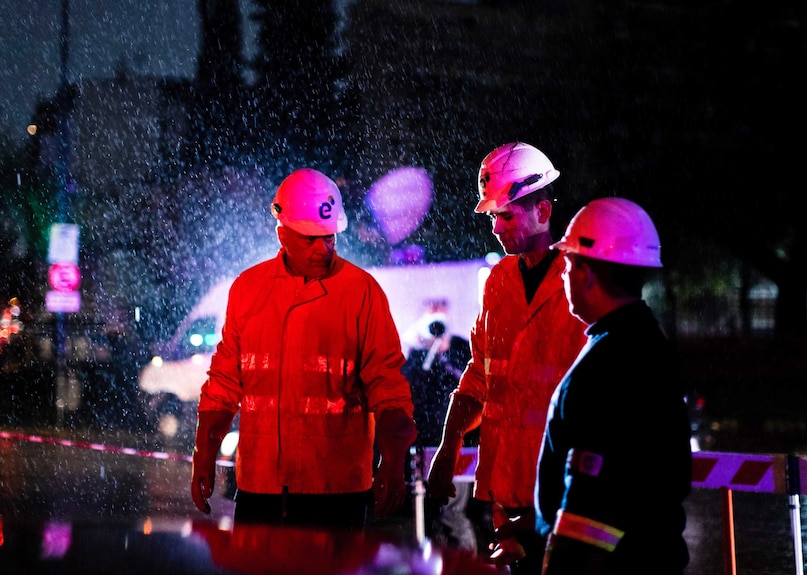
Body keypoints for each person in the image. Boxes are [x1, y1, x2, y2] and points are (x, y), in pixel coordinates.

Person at [190, 168, 418, 530]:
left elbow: (388, 388)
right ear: (282, 234)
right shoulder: (248, 291)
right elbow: (223, 384)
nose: (322, 249)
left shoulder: (362, 293)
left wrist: (392, 460)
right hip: (260, 487)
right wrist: (204, 452)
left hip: (337, 493)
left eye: (329, 238)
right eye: (309, 239)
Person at [427, 142, 587, 574]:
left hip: (565, 497)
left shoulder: (582, 284)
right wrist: (448, 447)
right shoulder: (496, 283)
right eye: (494, 216)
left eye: (506, 215)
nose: (496, 228)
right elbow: (479, 377)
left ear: (543, 211)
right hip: (506, 494)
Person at [534, 197, 692, 574]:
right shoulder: (650, 344)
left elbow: (591, 510)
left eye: (568, 263)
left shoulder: (605, 365)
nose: (563, 274)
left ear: (586, 273)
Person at [401, 301, 477, 552]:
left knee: (453, 511)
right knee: (428, 513)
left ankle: (464, 563)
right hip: (426, 440)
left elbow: (469, 383)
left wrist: (444, 353)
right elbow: (409, 385)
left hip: (458, 442)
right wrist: (421, 349)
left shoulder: (459, 347)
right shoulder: (418, 354)